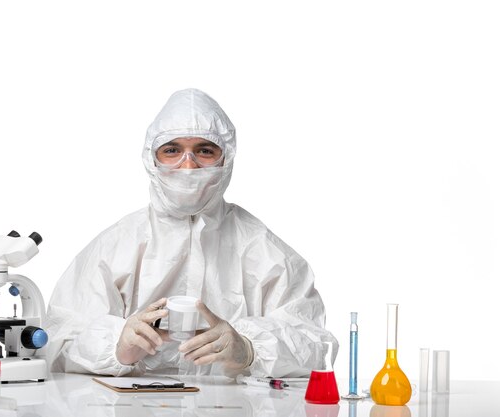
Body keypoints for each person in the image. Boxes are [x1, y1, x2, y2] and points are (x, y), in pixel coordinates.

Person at [45, 88, 338, 377]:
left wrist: (249, 350)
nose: (188, 166)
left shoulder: (264, 250)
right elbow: (57, 340)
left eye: (204, 151)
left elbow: (315, 343)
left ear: (226, 158)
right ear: (152, 159)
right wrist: (116, 347)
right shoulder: (115, 246)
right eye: (172, 150)